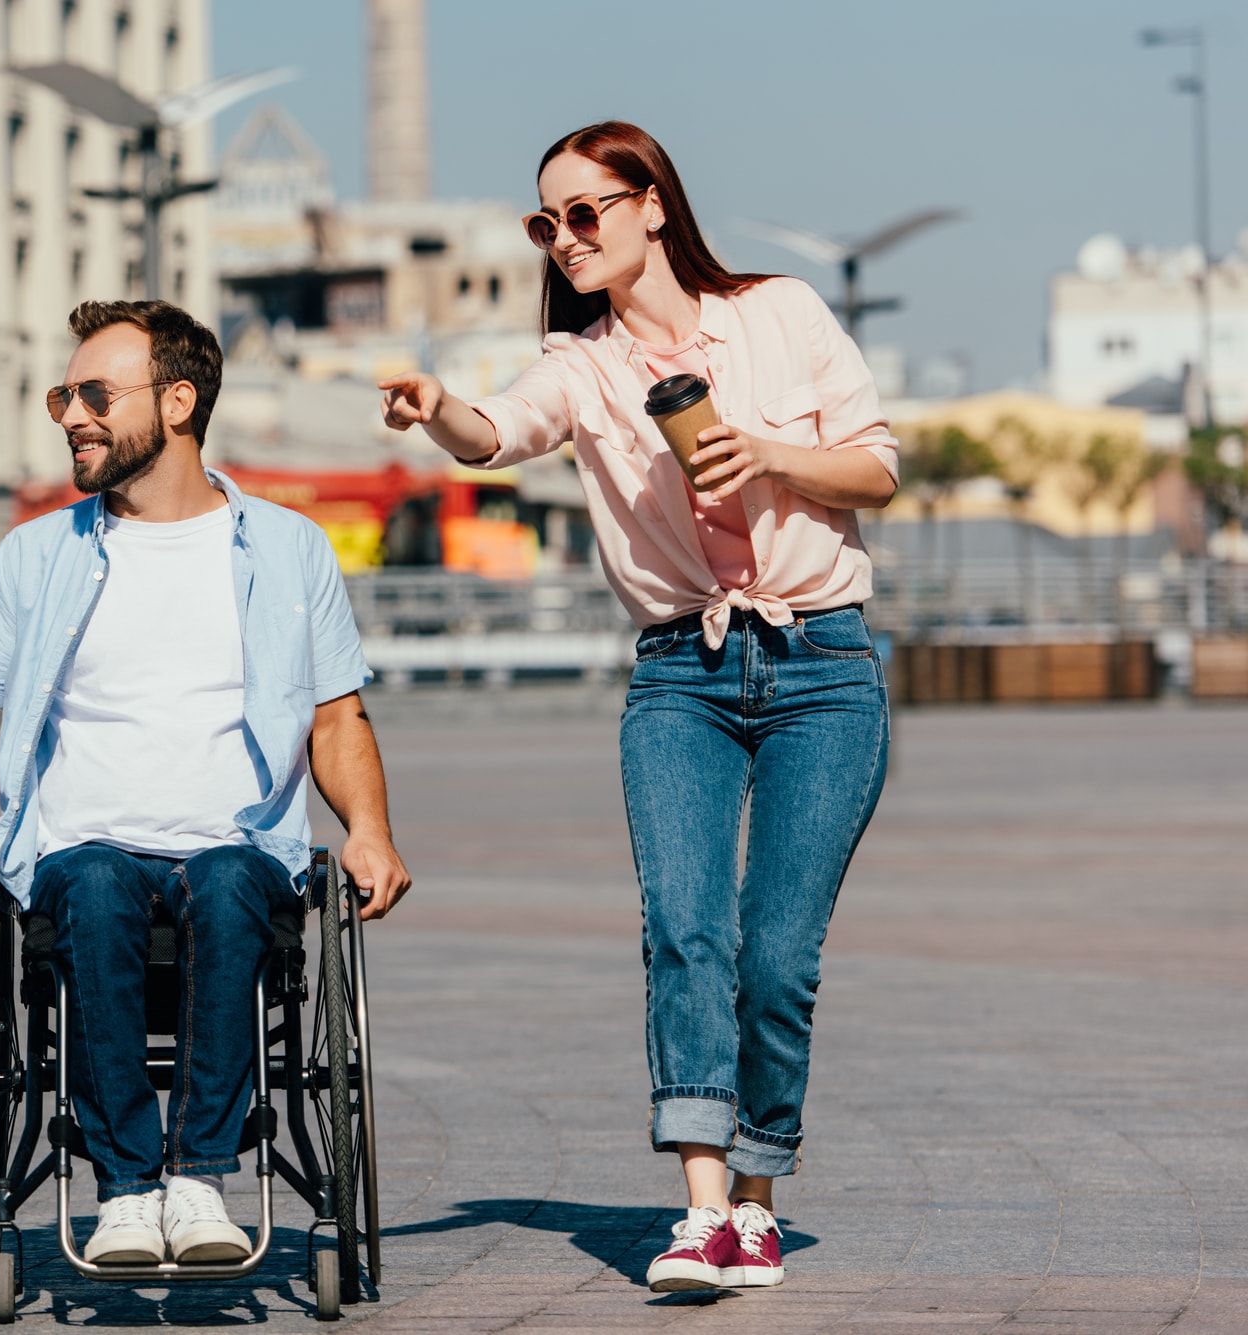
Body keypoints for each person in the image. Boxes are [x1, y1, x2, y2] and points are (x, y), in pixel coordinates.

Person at [380, 122, 896, 1294]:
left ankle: (758, 1199)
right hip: (680, 675)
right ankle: (703, 1207)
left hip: (822, 667)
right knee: (682, 933)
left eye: (583, 213)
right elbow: (497, 434)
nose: (562, 239)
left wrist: (765, 453)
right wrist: (439, 405)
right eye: (542, 222)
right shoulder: (582, 366)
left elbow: (875, 467)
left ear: (649, 205)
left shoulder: (780, 313)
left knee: (774, 955)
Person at [0, 299, 413, 1267]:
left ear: (178, 402)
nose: (69, 414)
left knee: (231, 885)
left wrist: (368, 828)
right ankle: (126, 1191)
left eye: (94, 394)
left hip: (237, 845)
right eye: (63, 395)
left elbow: (334, 715)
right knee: (97, 885)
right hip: (75, 846)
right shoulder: (35, 554)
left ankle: (197, 1181)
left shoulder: (287, 547)